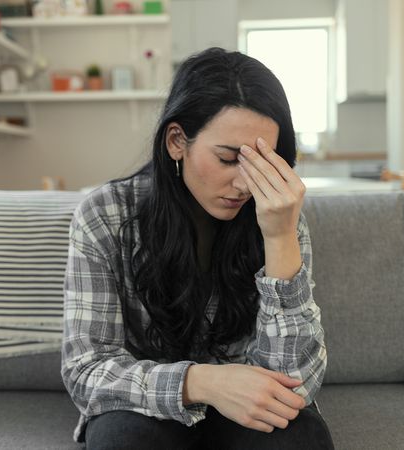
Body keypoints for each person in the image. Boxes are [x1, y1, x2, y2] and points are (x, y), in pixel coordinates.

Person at [61, 47, 334, 450]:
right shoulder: (107, 216)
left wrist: (279, 239)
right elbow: (86, 369)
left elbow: (296, 382)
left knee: (300, 437)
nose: (245, 184)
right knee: (126, 438)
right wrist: (203, 382)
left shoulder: (278, 214)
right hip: (147, 407)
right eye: (228, 159)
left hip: (248, 412)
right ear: (176, 141)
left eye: (262, 163)